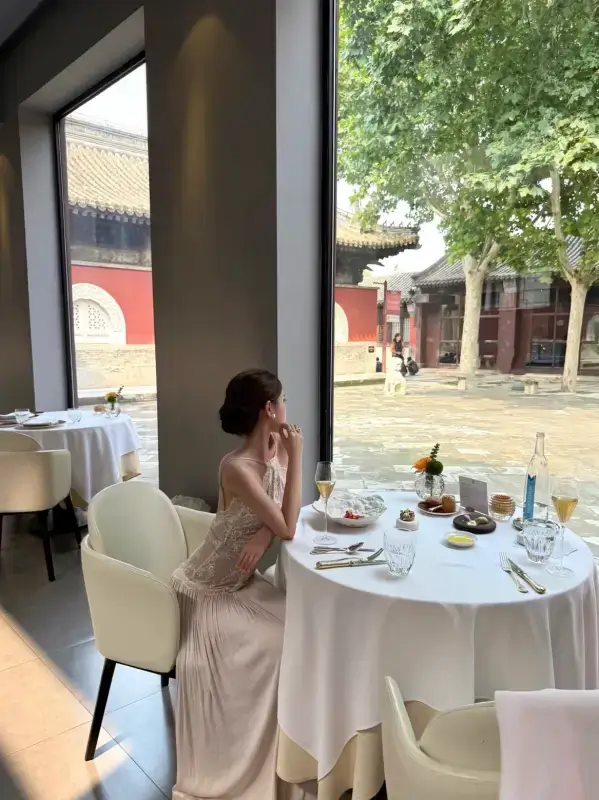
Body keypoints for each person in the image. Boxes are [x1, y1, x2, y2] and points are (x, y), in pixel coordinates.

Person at [171, 369, 304, 800]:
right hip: (210, 592)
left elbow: (281, 521)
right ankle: (258, 762)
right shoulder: (238, 467)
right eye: (282, 399)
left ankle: (299, 750)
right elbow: (288, 525)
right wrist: (297, 457)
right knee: (282, 641)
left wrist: (265, 531)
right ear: (269, 409)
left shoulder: (273, 448)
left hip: (243, 584)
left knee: (304, 625)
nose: (287, 405)